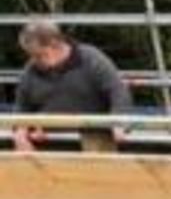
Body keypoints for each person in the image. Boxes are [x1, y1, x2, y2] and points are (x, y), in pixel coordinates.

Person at [12, 18, 132, 152]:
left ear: (54, 44)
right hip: (48, 141)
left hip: (93, 135)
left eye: (40, 55)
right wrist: (20, 132)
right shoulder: (30, 70)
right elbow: (21, 107)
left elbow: (118, 91)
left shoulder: (91, 58)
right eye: (31, 55)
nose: (35, 60)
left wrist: (119, 123)